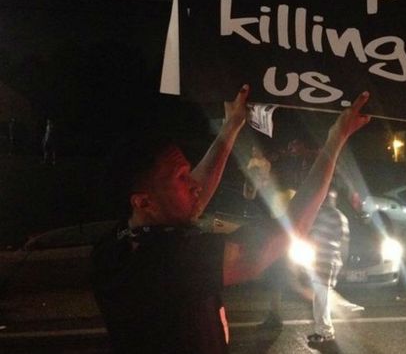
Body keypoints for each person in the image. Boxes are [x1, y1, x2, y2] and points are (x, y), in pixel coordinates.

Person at [91, 85, 371, 353]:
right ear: (143, 202)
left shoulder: (112, 248)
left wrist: (232, 125)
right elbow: (283, 235)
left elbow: (189, 201)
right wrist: (336, 139)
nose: (195, 184)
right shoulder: (171, 258)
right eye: (181, 178)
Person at [306, 187, 362, 344]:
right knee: (323, 292)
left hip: (321, 258)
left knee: (321, 295)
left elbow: (310, 235)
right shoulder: (341, 217)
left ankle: (324, 329)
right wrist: (342, 262)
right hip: (333, 260)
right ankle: (336, 320)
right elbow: (344, 243)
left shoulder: (318, 214)